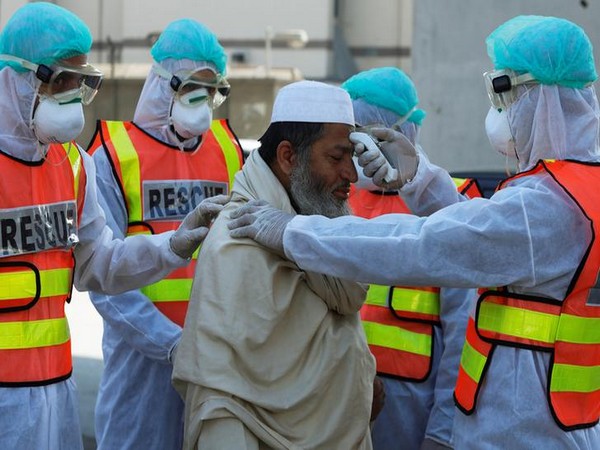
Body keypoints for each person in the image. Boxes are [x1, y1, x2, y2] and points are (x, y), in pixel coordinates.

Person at [228, 16, 600, 449]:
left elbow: (427, 245)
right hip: (538, 421)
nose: (501, 112)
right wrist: (420, 177)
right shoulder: (573, 190)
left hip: (523, 429)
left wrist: (293, 232)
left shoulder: (546, 206)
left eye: (507, 95)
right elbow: (481, 236)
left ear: (543, 100)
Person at [0, 3, 223, 449]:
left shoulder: (74, 166)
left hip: (54, 386)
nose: (69, 93)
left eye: (79, 82)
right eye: (59, 79)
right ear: (16, 79)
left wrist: (170, 248)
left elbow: (99, 263)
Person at [172, 80, 376, 449]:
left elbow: (344, 306)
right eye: (336, 158)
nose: (352, 175)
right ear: (288, 157)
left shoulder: (314, 216)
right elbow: (235, 390)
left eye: (352, 158)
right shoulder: (237, 239)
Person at [85, 18, 243, 450]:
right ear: (163, 84)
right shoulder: (114, 157)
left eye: (212, 90)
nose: (205, 100)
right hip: (142, 363)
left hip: (216, 360)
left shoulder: (229, 152)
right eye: (194, 87)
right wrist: (172, 345)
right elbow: (105, 281)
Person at [344, 67, 480, 450]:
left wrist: (443, 429)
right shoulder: (338, 202)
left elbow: (462, 337)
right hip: (338, 399)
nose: (354, 151)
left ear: (399, 135)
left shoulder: (447, 204)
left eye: (364, 136)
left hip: (412, 411)